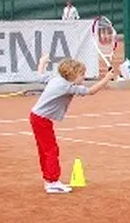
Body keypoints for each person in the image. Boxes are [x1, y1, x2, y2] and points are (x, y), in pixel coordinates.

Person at [29, 55, 116, 193]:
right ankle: (53, 182)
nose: (83, 78)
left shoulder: (56, 79)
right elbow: (90, 91)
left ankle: (49, 180)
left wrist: (42, 62)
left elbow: (40, 76)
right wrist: (106, 78)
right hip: (41, 120)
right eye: (82, 75)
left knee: (45, 150)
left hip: (37, 117)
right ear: (72, 74)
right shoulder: (66, 87)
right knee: (51, 150)